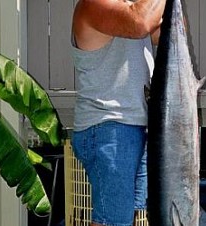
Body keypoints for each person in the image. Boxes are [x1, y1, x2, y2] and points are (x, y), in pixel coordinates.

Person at [71, 0, 166, 225]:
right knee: (111, 221)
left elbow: (162, 35)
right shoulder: (93, 4)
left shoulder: (131, 8)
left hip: (135, 125)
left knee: (129, 215)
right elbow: (141, 22)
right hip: (108, 127)